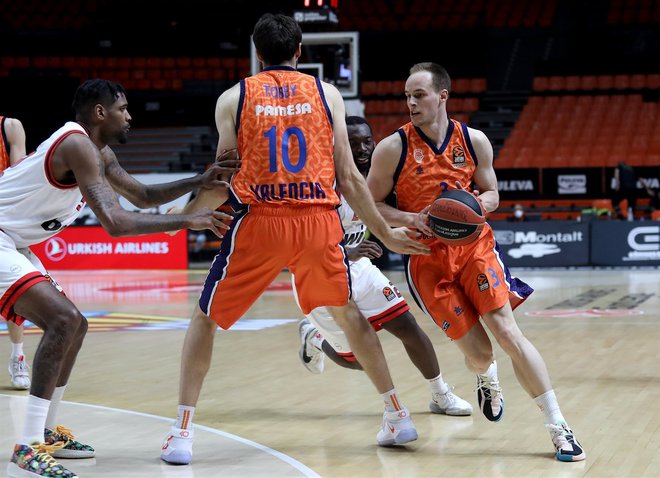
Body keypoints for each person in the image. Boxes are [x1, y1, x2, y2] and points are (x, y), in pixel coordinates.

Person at [160, 13, 430, 466]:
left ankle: (182, 432)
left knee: (204, 320)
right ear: (300, 52)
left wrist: (186, 216)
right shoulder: (328, 95)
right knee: (348, 314)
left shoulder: (234, 97)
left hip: (260, 222)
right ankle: (397, 414)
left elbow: (221, 176)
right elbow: (348, 175)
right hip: (317, 221)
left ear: (257, 53)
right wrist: (387, 234)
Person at [1, 79, 234, 478]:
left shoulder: (99, 153)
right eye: (123, 109)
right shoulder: (76, 144)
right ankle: (27, 446)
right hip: (2, 237)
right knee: (64, 321)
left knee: (76, 326)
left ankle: (46, 432)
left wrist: (198, 181)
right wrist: (189, 220)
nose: (129, 116)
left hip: (14, 240)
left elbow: (141, 196)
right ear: (99, 112)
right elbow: (115, 222)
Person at [366, 62, 585, 462]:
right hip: (426, 258)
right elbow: (371, 204)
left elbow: (492, 193)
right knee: (482, 353)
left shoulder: (474, 140)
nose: (411, 103)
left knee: (508, 333)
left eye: (419, 95)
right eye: (407, 96)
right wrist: (409, 218)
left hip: (475, 248)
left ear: (443, 96)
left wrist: (477, 204)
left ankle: (559, 427)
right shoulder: (392, 147)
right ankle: (486, 375)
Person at [296, 116, 472, 417]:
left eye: (367, 141)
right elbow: (299, 243)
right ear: (337, 145)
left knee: (408, 326)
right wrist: (347, 251)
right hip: (319, 273)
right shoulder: (319, 183)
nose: (363, 148)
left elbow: (381, 218)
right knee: (354, 359)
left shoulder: (375, 180)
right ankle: (314, 337)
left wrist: (411, 229)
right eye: (353, 143)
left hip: (359, 269)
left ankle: (440, 394)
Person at [1, 115, 32, 390]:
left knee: (16, 294)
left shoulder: (10, 127)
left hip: (5, 222)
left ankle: (18, 355)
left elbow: (18, 176)